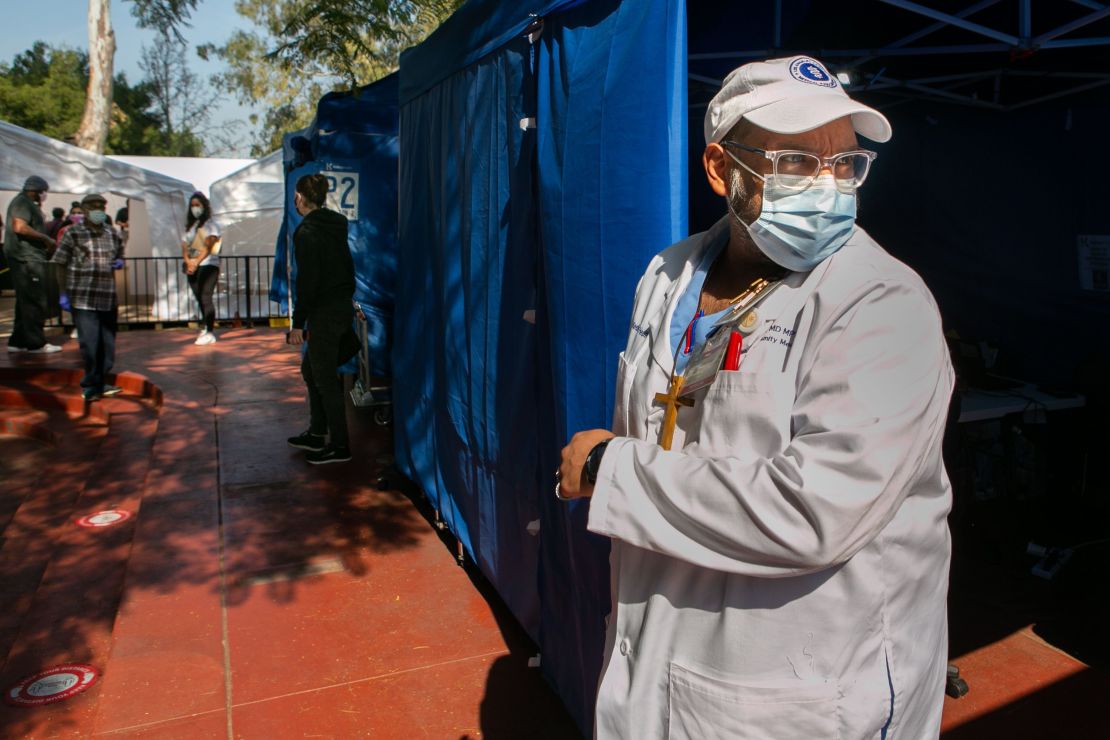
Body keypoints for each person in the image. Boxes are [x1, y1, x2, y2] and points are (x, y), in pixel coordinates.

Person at [557, 56, 954, 738]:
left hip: (805, 682)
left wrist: (608, 470)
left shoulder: (881, 302)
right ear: (721, 169)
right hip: (659, 645)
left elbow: (813, 512)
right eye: (796, 161)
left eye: (844, 164)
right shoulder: (667, 275)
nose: (828, 186)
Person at [285, 173, 358, 465]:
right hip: (340, 307)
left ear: (300, 197)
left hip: (324, 313)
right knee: (311, 370)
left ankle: (339, 446)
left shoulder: (307, 233)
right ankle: (317, 433)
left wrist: (297, 324)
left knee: (325, 380)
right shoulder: (335, 226)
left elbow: (308, 282)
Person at [51, 193, 125, 401]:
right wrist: (63, 292)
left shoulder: (112, 233)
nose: (98, 209)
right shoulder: (72, 233)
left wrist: (119, 261)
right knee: (90, 342)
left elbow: (119, 254)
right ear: (83, 209)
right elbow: (60, 263)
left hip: (107, 296)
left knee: (107, 344)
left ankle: (101, 380)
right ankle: (91, 384)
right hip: (82, 297)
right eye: (93, 205)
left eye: (102, 206)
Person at [4, 175, 62, 353]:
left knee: (25, 300)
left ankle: (18, 341)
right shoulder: (22, 203)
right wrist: (46, 239)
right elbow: (20, 227)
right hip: (26, 258)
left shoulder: (24, 203)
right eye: (42, 192)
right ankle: (36, 343)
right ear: (35, 191)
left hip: (26, 257)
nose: (44, 195)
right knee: (35, 300)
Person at [181, 191, 221, 345]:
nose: (195, 208)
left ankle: (210, 331)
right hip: (192, 266)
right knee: (199, 297)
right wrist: (188, 262)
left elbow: (209, 245)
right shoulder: (191, 226)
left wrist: (196, 262)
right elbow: (184, 245)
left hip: (208, 265)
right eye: (192, 205)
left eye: (198, 205)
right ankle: (205, 325)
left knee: (206, 297)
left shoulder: (211, 225)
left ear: (204, 206)